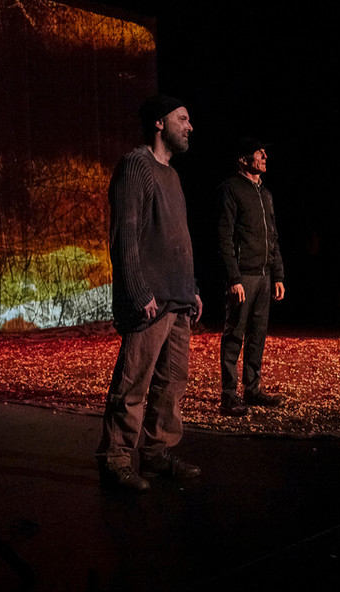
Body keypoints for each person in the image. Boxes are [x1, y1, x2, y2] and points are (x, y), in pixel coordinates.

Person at [96, 95, 203, 491]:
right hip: (150, 301)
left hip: (177, 300)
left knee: (171, 385)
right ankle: (116, 457)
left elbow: (178, 240)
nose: (189, 126)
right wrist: (138, 291)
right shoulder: (135, 166)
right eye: (183, 118)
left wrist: (192, 290)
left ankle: (157, 453)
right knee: (133, 384)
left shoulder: (172, 176)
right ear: (160, 123)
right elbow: (124, 236)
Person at [217, 138, 286, 417]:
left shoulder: (265, 194)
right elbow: (224, 235)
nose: (265, 156)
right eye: (259, 152)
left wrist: (278, 274)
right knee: (235, 333)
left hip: (264, 275)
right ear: (244, 159)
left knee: (257, 334)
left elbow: (273, 236)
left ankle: (252, 388)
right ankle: (228, 394)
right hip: (244, 275)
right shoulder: (231, 189)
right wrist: (233, 277)